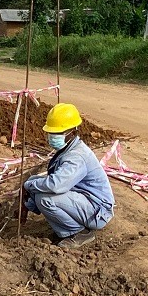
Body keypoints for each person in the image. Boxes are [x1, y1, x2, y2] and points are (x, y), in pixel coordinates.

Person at [21, 102, 114, 248]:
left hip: (97, 211)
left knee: (45, 197)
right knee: (35, 182)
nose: (52, 137)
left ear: (73, 132)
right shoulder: (69, 149)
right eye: (51, 133)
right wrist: (28, 202)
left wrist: (29, 186)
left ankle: (79, 233)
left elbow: (56, 185)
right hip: (85, 200)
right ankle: (66, 226)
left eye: (58, 133)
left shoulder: (76, 157)